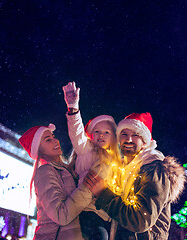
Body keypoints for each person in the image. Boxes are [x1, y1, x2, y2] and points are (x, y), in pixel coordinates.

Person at [84, 112, 186, 240]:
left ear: (144, 141)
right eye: (124, 134)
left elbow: (141, 221)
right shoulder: (122, 168)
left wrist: (103, 194)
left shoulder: (153, 169)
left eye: (135, 135)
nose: (128, 140)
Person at [62, 82, 122, 239]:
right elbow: (77, 134)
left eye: (106, 132)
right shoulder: (86, 149)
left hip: (105, 216)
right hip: (85, 211)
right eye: (97, 131)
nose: (101, 135)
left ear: (114, 138)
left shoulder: (117, 163)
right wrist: (73, 108)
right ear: (91, 135)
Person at [19, 123, 87, 240]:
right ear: (38, 149)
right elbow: (61, 215)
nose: (55, 141)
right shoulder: (45, 172)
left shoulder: (65, 170)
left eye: (53, 136)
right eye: (48, 140)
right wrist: (88, 190)